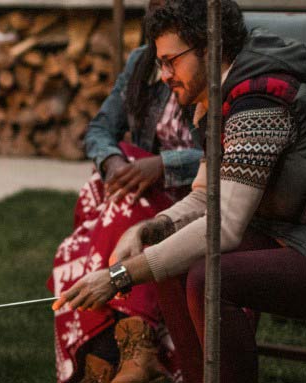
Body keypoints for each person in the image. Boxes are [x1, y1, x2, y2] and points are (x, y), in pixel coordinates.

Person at [55, 1, 306, 381]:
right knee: (173, 262)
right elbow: (203, 198)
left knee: (209, 279)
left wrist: (119, 276)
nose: (163, 75)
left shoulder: (258, 103)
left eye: (171, 61)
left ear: (210, 48)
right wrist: (147, 231)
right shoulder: (224, 99)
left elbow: (225, 223)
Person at [48, 0, 193, 380]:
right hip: (137, 198)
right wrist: (113, 162)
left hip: (193, 201)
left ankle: (110, 355)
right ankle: (124, 352)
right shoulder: (142, 62)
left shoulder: (212, 66)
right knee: (114, 182)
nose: (157, 9)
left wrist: (164, 165)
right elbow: (98, 129)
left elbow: (227, 158)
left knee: (119, 208)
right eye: (153, 3)